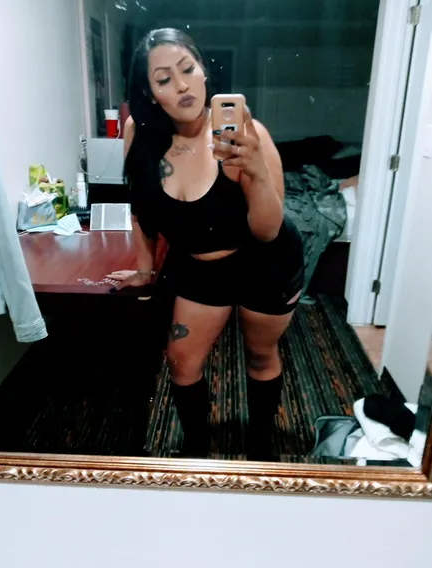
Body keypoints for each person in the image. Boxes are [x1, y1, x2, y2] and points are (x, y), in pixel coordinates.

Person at [107, 28, 304, 460]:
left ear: (202, 71)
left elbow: (267, 230)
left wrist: (256, 169)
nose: (181, 86)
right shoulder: (139, 133)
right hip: (199, 265)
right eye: (164, 79)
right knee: (181, 360)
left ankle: (261, 446)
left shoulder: (246, 133)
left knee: (260, 355)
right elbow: (141, 206)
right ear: (149, 92)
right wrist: (145, 269)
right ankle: (196, 448)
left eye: (187, 69)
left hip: (265, 262)